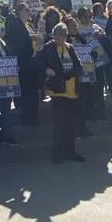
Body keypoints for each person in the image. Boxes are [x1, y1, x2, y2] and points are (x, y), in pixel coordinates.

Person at [35, 22, 83, 163]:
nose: (59, 40)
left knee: (71, 124)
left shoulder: (70, 47)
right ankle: (57, 154)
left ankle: (70, 152)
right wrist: (46, 70)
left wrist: (72, 73)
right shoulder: (48, 48)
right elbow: (37, 62)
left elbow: (78, 66)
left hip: (71, 90)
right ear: (53, 35)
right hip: (58, 91)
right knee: (59, 124)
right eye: (57, 37)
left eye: (62, 37)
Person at [5, 0, 40, 127]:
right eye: (26, 9)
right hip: (25, 63)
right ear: (19, 11)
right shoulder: (16, 25)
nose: (29, 11)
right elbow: (19, 44)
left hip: (33, 62)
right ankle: (28, 118)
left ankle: (34, 117)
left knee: (33, 91)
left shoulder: (28, 25)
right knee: (27, 92)